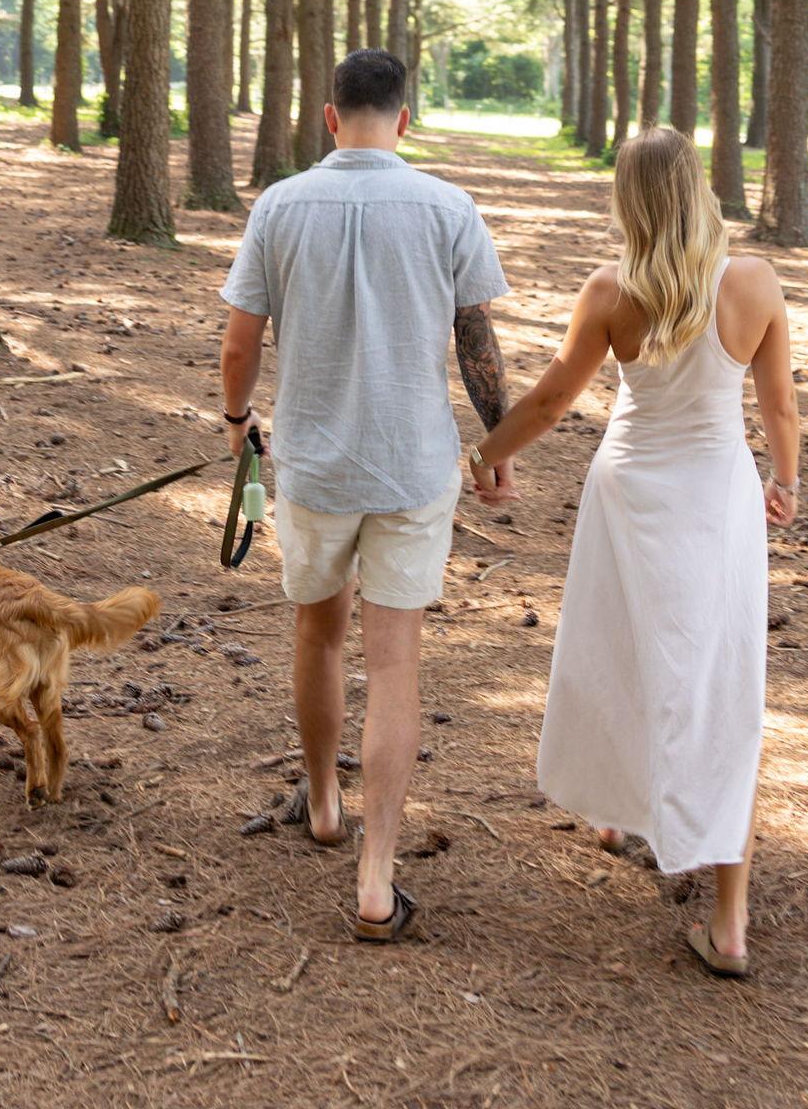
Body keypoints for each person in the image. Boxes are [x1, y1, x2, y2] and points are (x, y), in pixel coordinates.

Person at [464, 126, 801, 978]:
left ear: (629, 199)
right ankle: (728, 920)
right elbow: (781, 408)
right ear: (697, 188)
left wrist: (490, 453)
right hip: (718, 497)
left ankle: (617, 814)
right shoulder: (754, 282)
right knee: (721, 688)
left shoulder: (614, 289)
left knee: (618, 654)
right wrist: (785, 481)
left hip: (632, 488)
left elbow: (549, 399)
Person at [218, 48, 513, 943]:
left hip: (312, 463)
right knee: (394, 659)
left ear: (329, 116)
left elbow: (241, 343)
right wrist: (496, 446)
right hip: (413, 465)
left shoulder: (280, 204)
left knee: (317, 630)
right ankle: (377, 873)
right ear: (406, 119)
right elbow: (477, 345)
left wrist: (237, 423)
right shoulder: (447, 206)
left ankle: (321, 799)